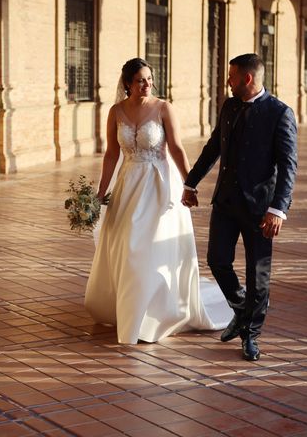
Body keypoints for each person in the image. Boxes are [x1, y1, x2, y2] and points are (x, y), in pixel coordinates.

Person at [85, 58, 232, 344]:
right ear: (127, 83)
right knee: (127, 245)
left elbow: (176, 148)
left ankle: (154, 312)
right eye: (140, 80)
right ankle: (129, 308)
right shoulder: (115, 111)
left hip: (159, 185)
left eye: (149, 78)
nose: (147, 84)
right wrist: (101, 192)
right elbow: (112, 154)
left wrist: (189, 183)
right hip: (128, 184)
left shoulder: (164, 108)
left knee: (150, 246)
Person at [181, 53, 297, 361]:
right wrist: (191, 183)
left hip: (261, 210)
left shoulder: (280, 113)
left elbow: (288, 166)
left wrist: (278, 209)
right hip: (226, 202)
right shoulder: (229, 106)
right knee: (217, 260)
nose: (227, 82)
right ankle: (242, 309)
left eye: (231, 77)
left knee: (258, 274)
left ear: (247, 79)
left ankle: (251, 335)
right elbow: (214, 146)